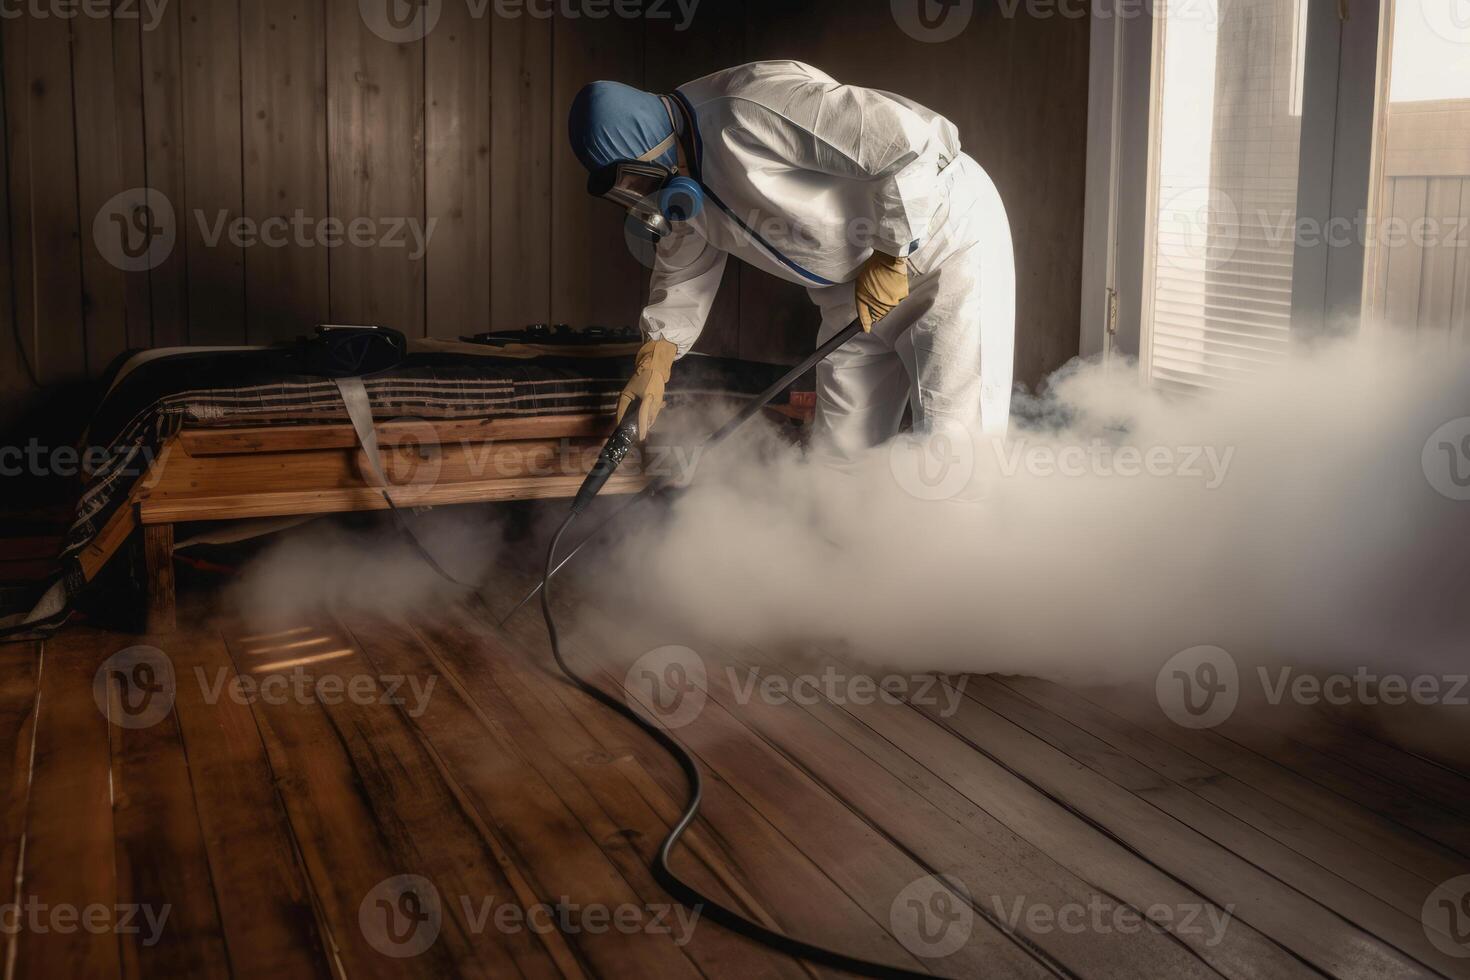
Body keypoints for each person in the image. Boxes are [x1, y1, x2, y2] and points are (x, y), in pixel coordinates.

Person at [568, 60, 1015, 462]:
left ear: (654, 139)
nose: (643, 198)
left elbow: (906, 145)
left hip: (944, 244)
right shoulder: (679, 179)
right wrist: (657, 357)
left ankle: (964, 550)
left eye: (638, 181)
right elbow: (684, 268)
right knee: (838, 463)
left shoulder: (747, 104)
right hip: (854, 291)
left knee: (957, 446)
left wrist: (892, 251)